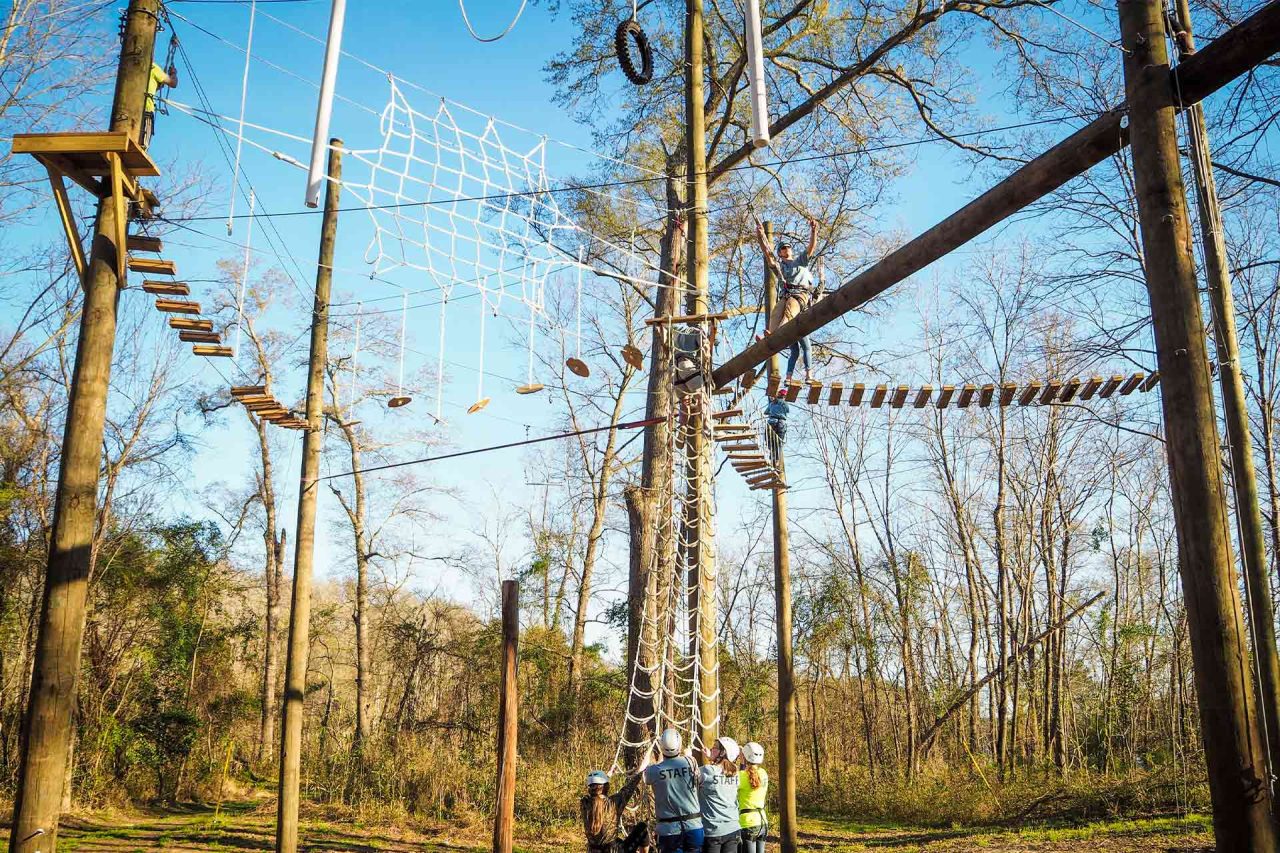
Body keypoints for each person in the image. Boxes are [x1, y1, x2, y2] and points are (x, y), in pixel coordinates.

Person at [755, 218, 819, 384]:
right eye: (783, 248)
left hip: (799, 296)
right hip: (787, 294)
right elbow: (767, 254)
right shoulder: (780, 267)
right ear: (780, 253)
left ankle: (777, 335)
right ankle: (770, 336)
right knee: (776, 311)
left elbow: (811, 247)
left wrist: (813, 231)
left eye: (788, 247)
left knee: (789, 310)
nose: (787, 249)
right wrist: (760, 235)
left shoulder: (800, 262)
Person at [642, 728, 704, 853]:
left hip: (669, 830)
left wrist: (650, 752)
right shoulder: (691, 762)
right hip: (694, 827)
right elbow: (699, 778)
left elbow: (643, 771)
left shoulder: (654, 771)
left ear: (661, 746)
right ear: (679, 744)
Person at [581, 769, 652, 853]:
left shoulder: (584, 803)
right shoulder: (614, 802)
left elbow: (596, 795)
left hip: (593, 850)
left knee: (616, 839)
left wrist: (607, 776)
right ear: (606, 786)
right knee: (642, 827)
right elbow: (631, 785)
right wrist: (641, 771)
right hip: (615, 850)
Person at [698, 737, 741, 853]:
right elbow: (720, 771)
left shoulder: (706, 771)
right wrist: (711, 758)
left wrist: (688, 757)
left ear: (723, 753)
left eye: (715, 748)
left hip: (713, 831)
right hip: (733, 828)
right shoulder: (736, 773)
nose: (711, 749)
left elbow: (688, 775)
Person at [738, 742, 768, 853]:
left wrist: (741, 764)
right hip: (762, 822)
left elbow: (735, 785)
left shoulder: (742, 776)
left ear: (745, 757)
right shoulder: (763, 773)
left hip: (748, 823)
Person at [141, 61, 178, 149]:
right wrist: (173, 73)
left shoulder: (130, 66)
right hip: (146, 110)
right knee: (143, 145)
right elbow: (173, 83)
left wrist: (157, 85)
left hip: (128, 111)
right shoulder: (152, 67)